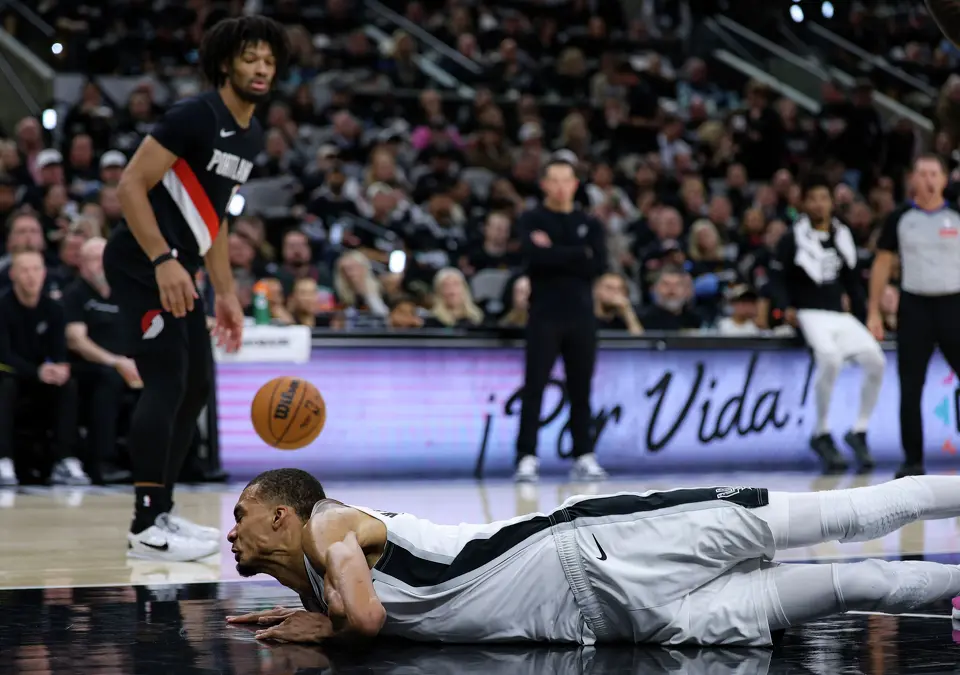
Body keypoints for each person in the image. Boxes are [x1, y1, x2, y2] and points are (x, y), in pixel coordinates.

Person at [225, 468, 960, 646]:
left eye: (242, 514)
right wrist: (322, 610)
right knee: (848, 584)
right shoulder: (320, 564)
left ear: (283, 513)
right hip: (608, 615)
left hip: (592, 544)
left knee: (851, 512)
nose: (231, 531)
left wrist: (330, 624)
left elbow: (371, 614)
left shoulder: (327, 522)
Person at [102, 16, 289, 561]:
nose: (262, 68)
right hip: (143, 261)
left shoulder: (251, 132)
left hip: (181, 264)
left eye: (270, 61)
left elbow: (214, 217)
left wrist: (226, 293)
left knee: (196, 389)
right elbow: (130, 184)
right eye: (252, 57)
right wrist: (162, 258)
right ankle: (143, 526)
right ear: (226, 62)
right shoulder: (193, 115)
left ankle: (161, 512)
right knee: (165, 382)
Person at [768, 177, 884, 474]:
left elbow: (853, 283)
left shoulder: (842, 235)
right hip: (808, 312)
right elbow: (777, 279)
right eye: (813, 198)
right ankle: (821, 432)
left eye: (824, 197)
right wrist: (784, 310)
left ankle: (858, 430)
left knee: (876, 360)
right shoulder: (792, 238)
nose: (819, 204)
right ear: (804, 204)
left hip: (838, 314)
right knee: (829, 358)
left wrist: (865, 317)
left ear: (832, 202)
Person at [514, 159, 608, 483]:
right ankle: (526, 456)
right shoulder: (531, 218)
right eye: (553, 180)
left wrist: (555, 252)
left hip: (582, 316)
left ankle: (584, 454)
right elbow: (533, 259)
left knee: (581, 389)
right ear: (543, 184)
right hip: (544, 315)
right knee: (535, 387)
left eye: (565, 180)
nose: (559, 186)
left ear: (575, 184)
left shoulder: (590, 223)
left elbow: (598, 265)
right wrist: (576, 254)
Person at [867, 155, 960, 479]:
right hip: (915, 306)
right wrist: (873, 311)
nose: (929, 179)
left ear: (945, 179)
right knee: (910, 386)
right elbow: (881, 264)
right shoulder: (900, 218)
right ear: (912, 180)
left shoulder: (956, 215)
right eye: (922, 173)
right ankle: (913, 460)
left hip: (954, 306)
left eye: (935, 173)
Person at [0, 251, 90, 486]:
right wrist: (36, 371)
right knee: (5, 383)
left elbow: (59, 349)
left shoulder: (54, 308)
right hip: (12, 374)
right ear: (13, 275)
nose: (31, 276)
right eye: (24, 270)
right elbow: (4, 355)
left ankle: (65, 460)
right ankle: (3, 460)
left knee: (68, 384)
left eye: (36, 269)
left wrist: (59, 367)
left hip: (41, 376)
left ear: (44, 273)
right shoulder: (3, 307)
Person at [63, 237, 140, 484]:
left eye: (104, 258)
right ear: (82, 264)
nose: (101, 264)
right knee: (108, 381)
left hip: (129, 364)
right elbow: (76, 340)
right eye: (94, 259)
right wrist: (115, 361)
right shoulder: (75, 294)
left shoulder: (124, 292)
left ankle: (159, 462)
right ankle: (102, 462)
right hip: (90, 366)